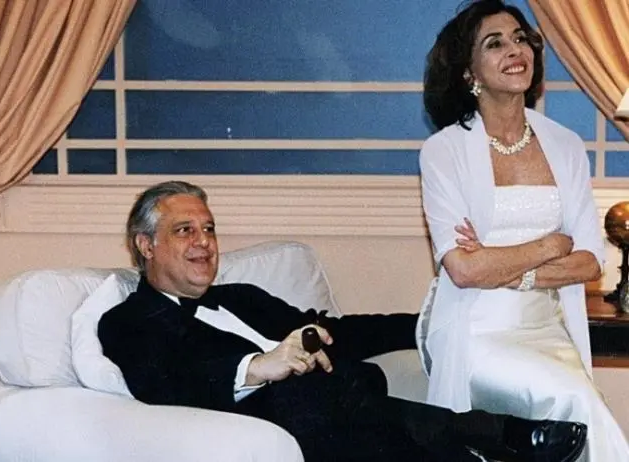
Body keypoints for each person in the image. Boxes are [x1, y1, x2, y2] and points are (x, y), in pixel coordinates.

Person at [99, 180, 587, 462]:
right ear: (146, 245)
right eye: (185, 230)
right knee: (305, 396)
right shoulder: (128, 320)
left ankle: (485, 440)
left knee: (357, 405)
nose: (204, 242)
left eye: (208, 228)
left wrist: (428, 322)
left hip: (345, 413)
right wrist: (259, 366)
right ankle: (495, 435)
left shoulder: (242, 297)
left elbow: (337, 331)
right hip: (281, 422)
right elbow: (165, 382)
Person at [416, 1, 629, 461]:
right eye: (495, 44)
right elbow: (464, 272)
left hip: (550, 329)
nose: (515, 50)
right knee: (573, 400)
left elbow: (590, 261)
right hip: (476, 333)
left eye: (520, 38)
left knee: (577, 399)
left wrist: (504, 267)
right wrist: (551, 244)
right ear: (468, 72)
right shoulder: (442, 152)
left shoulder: (566, 146)